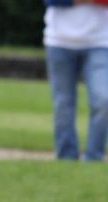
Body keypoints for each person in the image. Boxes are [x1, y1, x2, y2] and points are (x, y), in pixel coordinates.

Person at [44, 0, 108, 160]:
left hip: (100, 41)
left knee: (103, 100)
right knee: (63, 104)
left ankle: (94, 156)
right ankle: (66, 157)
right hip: (59, 41)